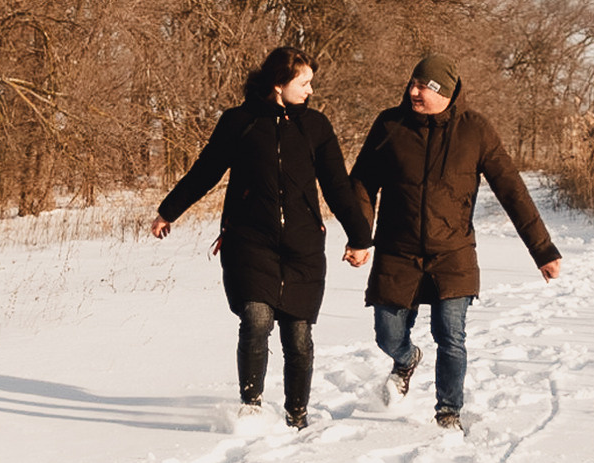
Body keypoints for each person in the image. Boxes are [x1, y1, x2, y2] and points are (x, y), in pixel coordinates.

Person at [153, 46, 375, 427]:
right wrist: (168, 210)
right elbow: (205, 171)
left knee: (298, 335)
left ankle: (297, 414)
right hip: (249, 240)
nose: (310, 90)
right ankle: (251, 409)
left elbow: (337, 186)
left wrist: (360, 237)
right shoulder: (239, 122)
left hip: (303, 244)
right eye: (303, 83)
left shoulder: (316, 126)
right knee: (256, 319)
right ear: (278, 83)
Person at [344, 51, 562, 431]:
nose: (413, 91)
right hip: (397, 250)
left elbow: (512, 191)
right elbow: (362, 182)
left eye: (423, 87)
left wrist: (542, 249)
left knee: (451, 336)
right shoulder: (389, 125)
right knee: (387, 333)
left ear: (446, 93)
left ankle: (448, 412)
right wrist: (361, 236)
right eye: (412, 83)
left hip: (453, 252)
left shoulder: (475, 130)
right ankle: (406, 358)